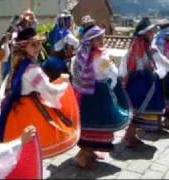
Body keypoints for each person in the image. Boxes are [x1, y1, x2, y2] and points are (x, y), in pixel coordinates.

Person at [0, 27, 80, 158]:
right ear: (24, 47)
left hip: (17, 107)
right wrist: (65, 84)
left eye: (39, 44)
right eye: (33, 44)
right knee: (33, 144)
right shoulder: (32, 69)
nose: (38, 48)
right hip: (28, 108)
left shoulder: (19, 62)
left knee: (21, 147)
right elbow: (49, 90)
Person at [72, 25, 131, 168]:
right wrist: (114, 81)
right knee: (99, 123)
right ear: (90, 41)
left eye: (101, 37)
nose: (101, 40)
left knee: (87, 123)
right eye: (97, 38)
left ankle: (88, 151)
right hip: (99, 94)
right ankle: (83, 156)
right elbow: (113, 72)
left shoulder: (80, 55)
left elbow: (75, 75)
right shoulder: (101, 57)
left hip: (84, 94)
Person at [120, 17, 169, 148]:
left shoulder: (140, 45)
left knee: (139, 111)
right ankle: (129, 136)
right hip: (141, 85)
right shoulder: (143, 47)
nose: (153, 34)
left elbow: (127, 65)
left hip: (139, 83)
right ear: (145, 33)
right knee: (139, 110)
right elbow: (154, 63)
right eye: (151, 32)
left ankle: (131, 135)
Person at [42, 11, 79, 81]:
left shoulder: (54, 30)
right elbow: (76, 42)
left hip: (50, 59)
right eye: (68, 20)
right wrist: (70, 50)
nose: (69, 22)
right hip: (59, 62)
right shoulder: (65, 32)